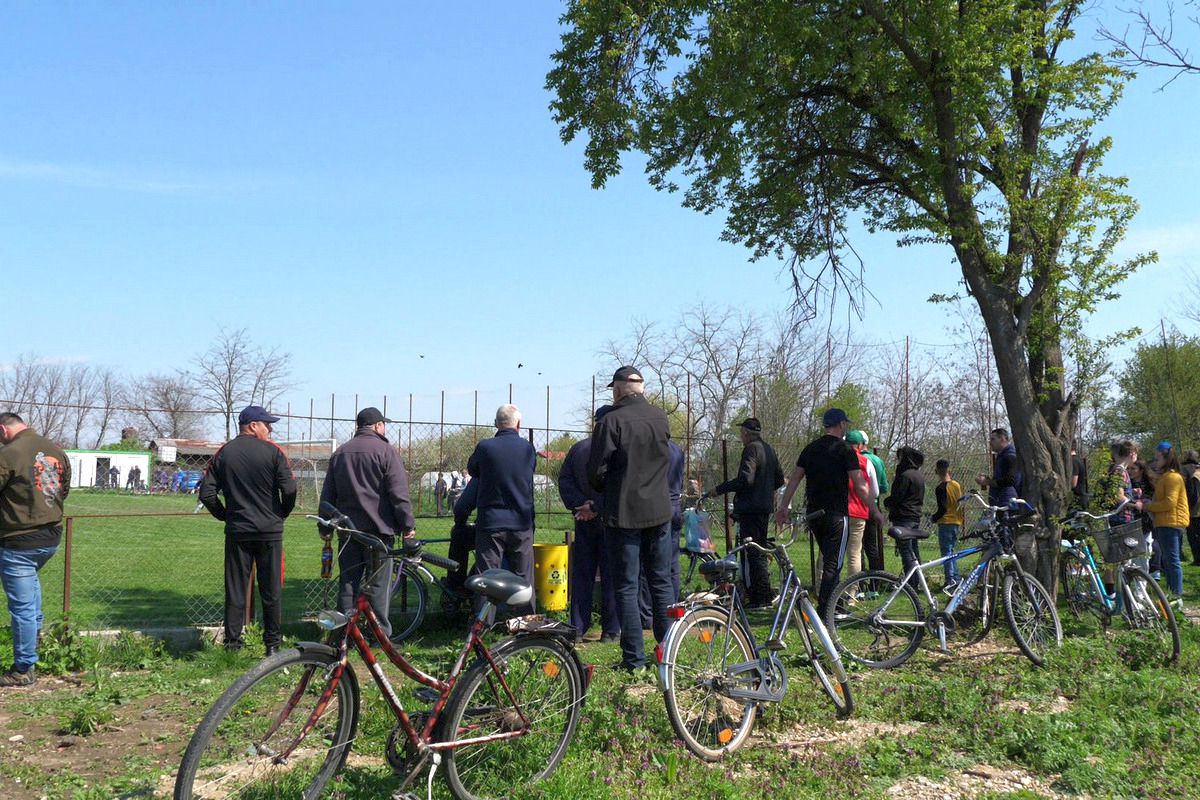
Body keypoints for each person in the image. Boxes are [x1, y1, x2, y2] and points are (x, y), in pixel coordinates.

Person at [587, 365, 673, 673]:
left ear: (618, 389)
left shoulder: (611, 420)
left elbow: (595, 471)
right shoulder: (660, 418)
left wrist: (609, 485)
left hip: (624, 513)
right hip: (660, 511)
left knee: (626, 586)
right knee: (661, 581)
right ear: (642, 388)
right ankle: (668, 653)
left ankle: (634, 659)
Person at [199, 405, 297, 655]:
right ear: (253, 425)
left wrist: (225, 515)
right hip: (269, 532)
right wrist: (280, 514)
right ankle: (272, 645)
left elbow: (207, 493)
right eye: (267, 424)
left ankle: (233, 645)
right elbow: (289, 490)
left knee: (235, 590)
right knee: (271, 590)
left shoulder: (224, 453)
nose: (270, 429)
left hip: (238, 531)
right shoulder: (274, 452)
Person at [319, 407, 416, 640]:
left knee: (348, 584)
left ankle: (342, 634)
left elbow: (327, 496)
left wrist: (324, 528)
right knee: (379, 587)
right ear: (378, 426)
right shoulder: (386, 452)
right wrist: (408, 527)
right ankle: (379, 636)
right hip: (378, 533)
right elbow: (398, 494)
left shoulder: (340, 453)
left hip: (348, 532)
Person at [775, 408, 873, 619]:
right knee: (833, 564)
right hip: (837, 514)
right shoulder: (845, 450)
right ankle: (826, 611)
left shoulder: (810, 449)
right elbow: (859, 484)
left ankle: (832, 606)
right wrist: (874, 509)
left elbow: (794, 480)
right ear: (841, 425)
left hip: (814, 515)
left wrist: (783, 507)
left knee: (829, 559)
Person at [0, 412, 71, 686]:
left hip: (19, 539)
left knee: (22, 608)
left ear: (3, 430)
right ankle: (35, 643)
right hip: (50, 537)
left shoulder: (8, 454)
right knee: (31, 595)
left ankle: (23, 669)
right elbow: (63, 490)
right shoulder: (55, 449)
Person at [703, 418, 784, 607]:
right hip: (764, 508)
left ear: (746, 433)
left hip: (750, 509)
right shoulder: (769, 449)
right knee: (760, 552)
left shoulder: (751, 449)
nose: (741, 436)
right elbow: (779, 479)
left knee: (750, 555)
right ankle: (763, 595)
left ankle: (756, 597)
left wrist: (720, 489)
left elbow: (745, 479)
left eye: (742, 433)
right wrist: (764, 490)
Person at [466, 404, 537, 617]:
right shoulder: (527, 448)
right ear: (519, 424)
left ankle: (482, 625)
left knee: (486, 576)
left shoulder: (485, 447)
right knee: (523, 575)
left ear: (496, 423)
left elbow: (473, 469)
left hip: (491, 521)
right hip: (521, 521)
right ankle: (525, 623)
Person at [558, 405, 619, 643]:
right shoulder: (617, 451)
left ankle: (578, 627)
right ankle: (611, 630)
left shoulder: (579, 449)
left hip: (583, 521)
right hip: (611, 520)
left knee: (582, 574)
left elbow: (565, 481)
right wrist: (597, 507)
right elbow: (619, 485)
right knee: (611, 575)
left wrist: (581, 505)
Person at [1145, 441, 1187, 608]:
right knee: (1169, 561)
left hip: (1171, 522)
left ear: (1165, 457)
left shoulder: (1173, 478)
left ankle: (1176, 597)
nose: (1155, 462)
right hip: (1165, 522)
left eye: (1157, 458)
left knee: (1173, 560)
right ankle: (1172, 596)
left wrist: (1148, 506)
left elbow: (1169, 503)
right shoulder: (1166, 477)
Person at [885, 446, 926, 576]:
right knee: (913, 549)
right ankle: (917, 579)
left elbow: (898, 496)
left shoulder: (905, 476)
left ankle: (910, 581)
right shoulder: (918, 475)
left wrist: (888, 502)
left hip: (903, 517)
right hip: (915, 516)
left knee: (906, 550)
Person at [842, 430, 874, 580]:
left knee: (828, 553)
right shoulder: (866, 461)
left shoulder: (837, 460)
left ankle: (823, 591)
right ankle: (852, 593)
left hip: (840, 510)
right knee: (854, 554)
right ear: (860, 445)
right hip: (859, 511)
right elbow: (874, 490)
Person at [931, 459, 964, 589]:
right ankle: (956, 577)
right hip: (956, 521)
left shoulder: (940, 488)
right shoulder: (956, 485)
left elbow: (943, 508)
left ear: (937, 471)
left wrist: (934, 518)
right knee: (952, 550)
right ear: (949, 470)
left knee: (946, 552)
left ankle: (950, 580)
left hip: (945, 522)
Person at [860, 431, 889, 572]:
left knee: (856, 548)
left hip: (856, 505)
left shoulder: (854, 458)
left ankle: (858, 582)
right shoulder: (877, 460)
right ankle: (875, 581)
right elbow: (884, 487)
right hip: (874, 505)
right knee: (872, 546)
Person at [976, 428, 1022, 507]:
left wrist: (987, 482)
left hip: (1008, 504)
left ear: (1002, 439)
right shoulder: (1002, 456)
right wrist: (989, 480)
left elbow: (1010, 481)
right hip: (1001, 502)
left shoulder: (1010, 456)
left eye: (993, 439)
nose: (990, 443)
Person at [1182, 450, 1200, 566]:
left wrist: (1186, 509)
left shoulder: (1194, 476)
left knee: (1194, 538)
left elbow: (1194, 495)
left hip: (1195, 512)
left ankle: (1198, 560)